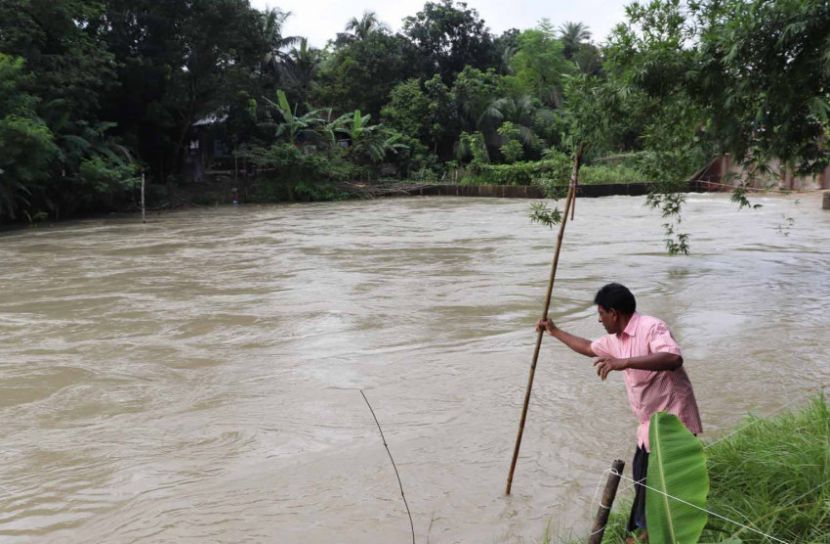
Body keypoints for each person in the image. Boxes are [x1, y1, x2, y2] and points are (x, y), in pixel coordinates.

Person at [536, 283, 702, 543]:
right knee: (643, 481)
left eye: (601, 313)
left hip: (672, 424)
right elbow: (588, 347)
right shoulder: (616, 340)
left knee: (665, 487)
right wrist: (554, 331)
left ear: (613, 313)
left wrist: (625, 362)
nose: (599, 319)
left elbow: (672, 358)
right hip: (649, 427)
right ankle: (645, 533)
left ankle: (651, 535)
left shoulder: (651, 327)